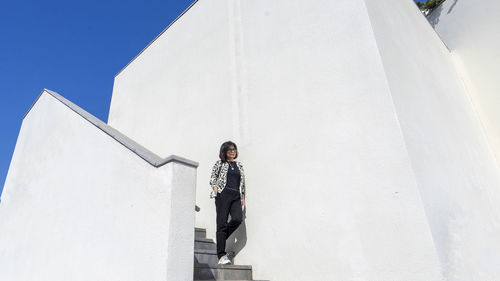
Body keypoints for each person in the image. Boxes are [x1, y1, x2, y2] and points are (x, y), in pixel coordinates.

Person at [209, 141, 246, 265]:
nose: (232, 151)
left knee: (237, 219)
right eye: (230, 149)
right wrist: (215, 188)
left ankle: (220, 239)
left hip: (236, 196)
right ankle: (221, 255)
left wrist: (243, 198)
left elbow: (242, 183)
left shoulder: (239, 165)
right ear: (224, 151)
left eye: (234, 149)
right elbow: (213, 177)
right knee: (222, 224)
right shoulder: (220, 163)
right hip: (223, 195)